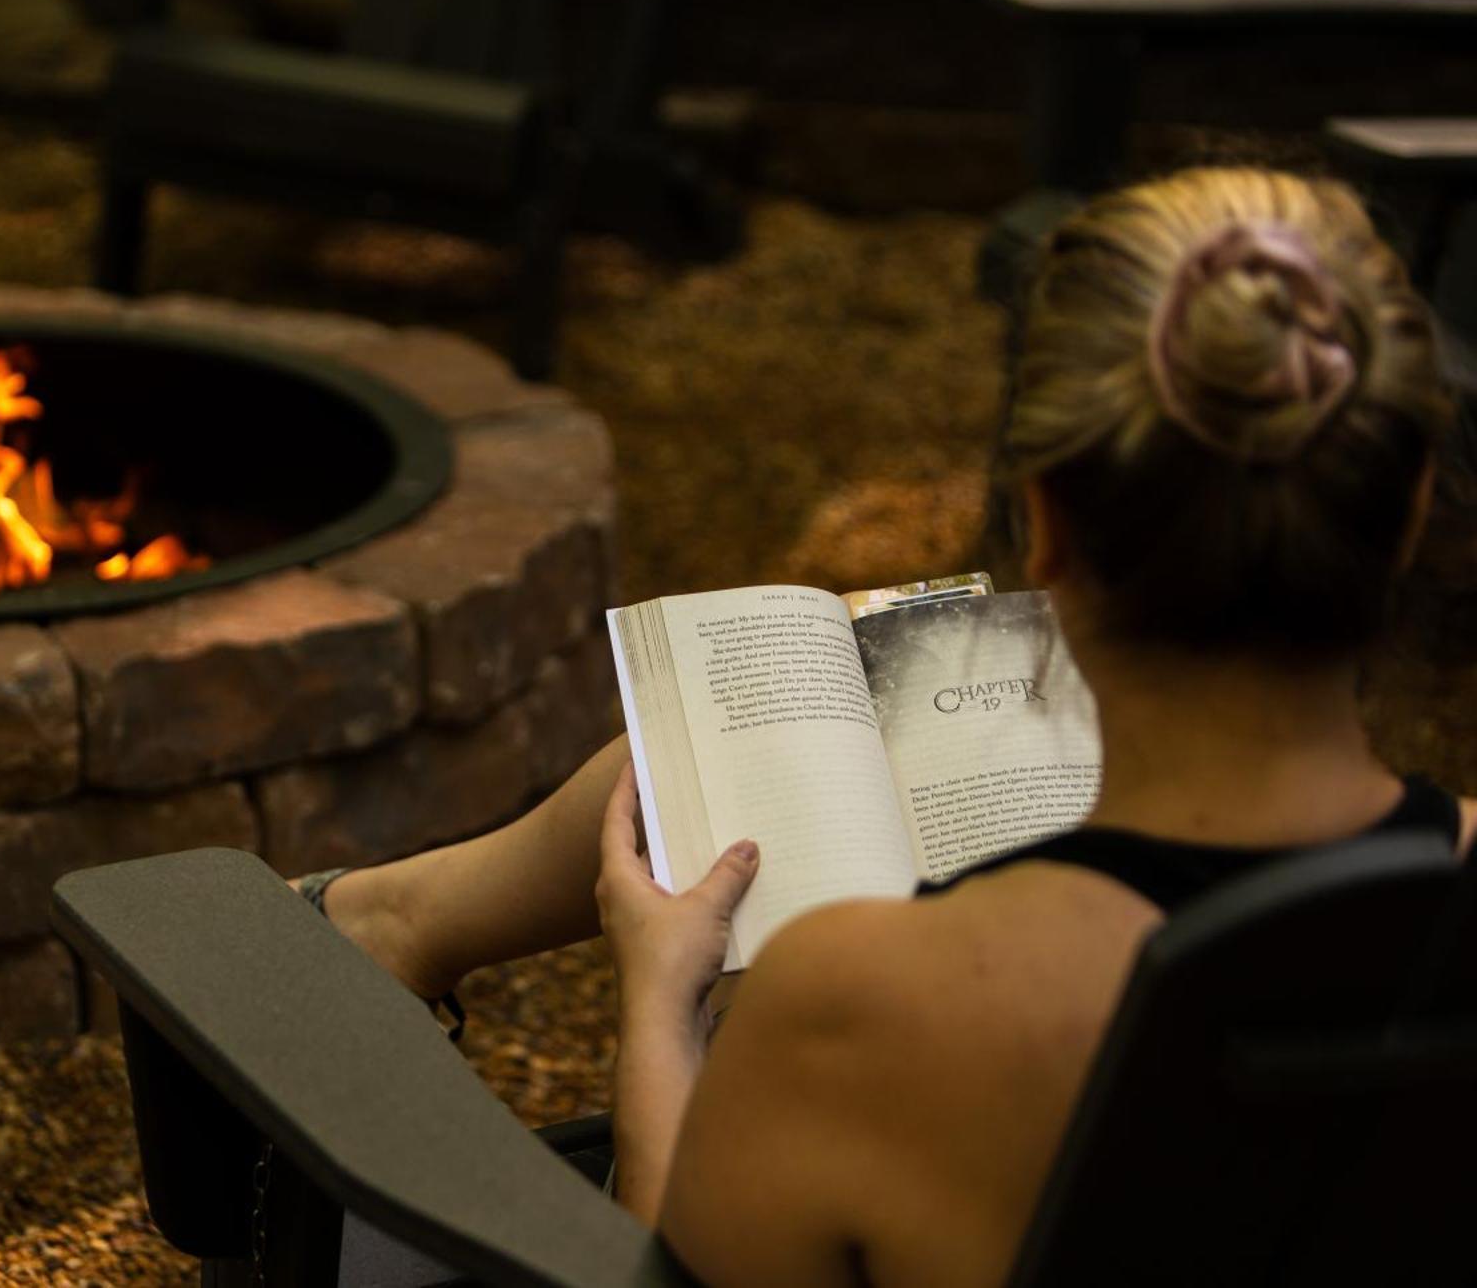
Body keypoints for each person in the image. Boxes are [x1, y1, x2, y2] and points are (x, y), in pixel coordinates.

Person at [295, 167, 1475, 1286]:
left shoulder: (862, 1009)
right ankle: (397, 917)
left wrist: (658, 1011)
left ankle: (385, 921)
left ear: (1045, 523)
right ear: (1413, 501)